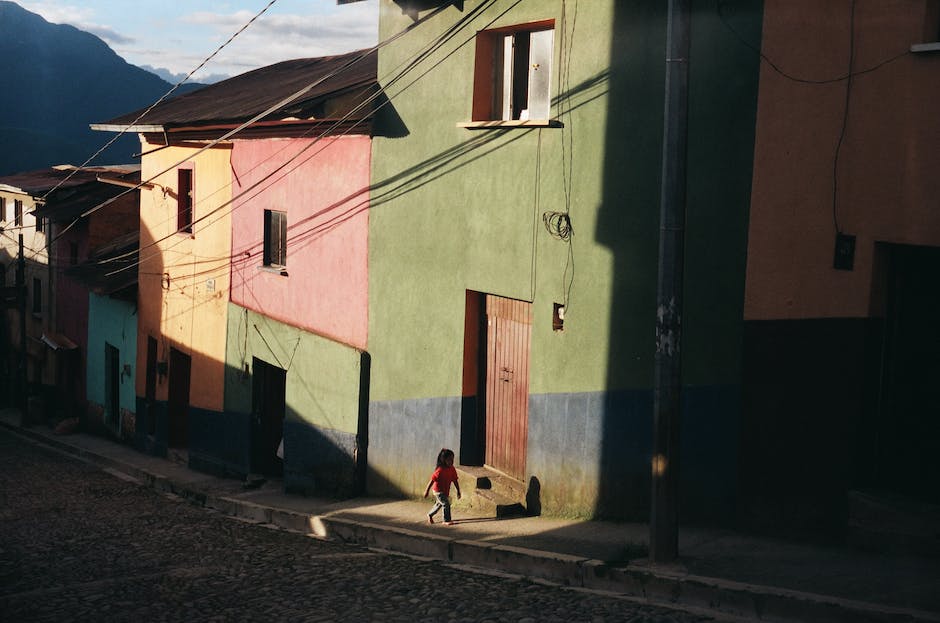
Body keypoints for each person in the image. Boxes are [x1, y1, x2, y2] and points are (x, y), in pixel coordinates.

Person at [424, 448, 461, 525]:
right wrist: (427, 491)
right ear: (444, 460)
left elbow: (455, 480)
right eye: (449, 460)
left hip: (445, 491)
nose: (451, 461)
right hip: (438, 491)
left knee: (439, 504)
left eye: (452, 459)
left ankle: (430, 514)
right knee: (446, 503)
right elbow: (432, 481)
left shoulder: (452, 469)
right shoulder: (439, 470)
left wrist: (458, 490)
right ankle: (446, 520)